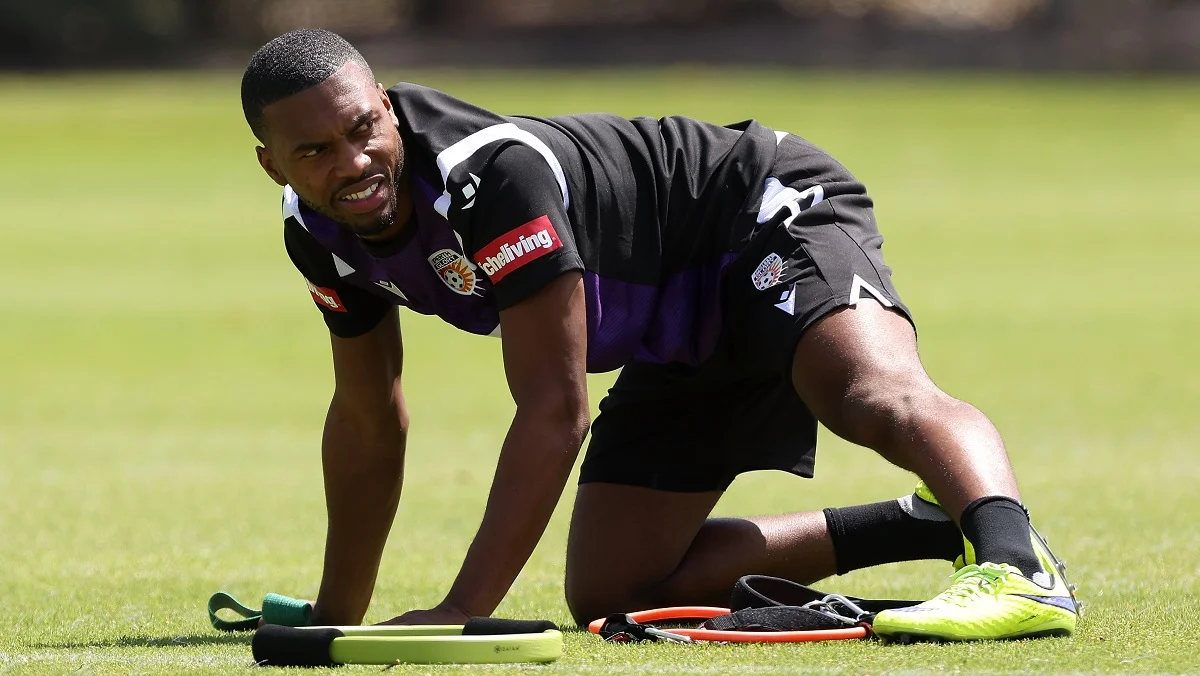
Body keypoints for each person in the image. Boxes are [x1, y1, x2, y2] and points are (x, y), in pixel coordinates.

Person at [239, 28, 1078, 641]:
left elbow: (555, 409)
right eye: (314, 152)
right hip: (676, 331)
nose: (352, 163)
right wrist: (334, 617)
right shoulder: (314, 232)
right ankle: (931, 521)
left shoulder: (491, 177)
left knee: (866, 392)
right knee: (616, 591)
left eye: (363, 129)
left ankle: (1018, 566)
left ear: (387, 107)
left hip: (760, 210)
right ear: (272, 164)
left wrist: (462, 609)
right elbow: (367, 417)